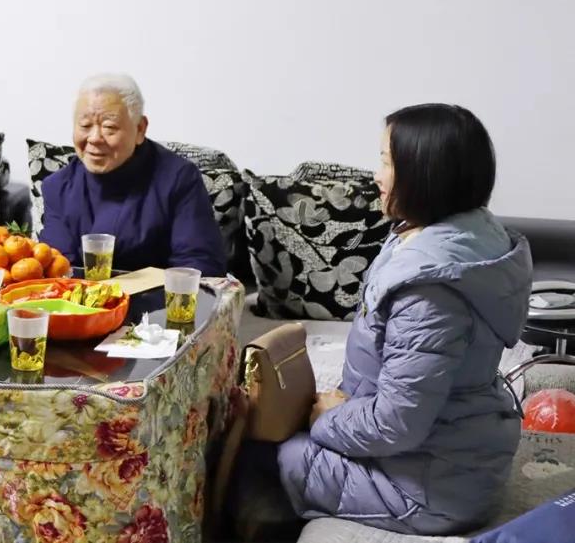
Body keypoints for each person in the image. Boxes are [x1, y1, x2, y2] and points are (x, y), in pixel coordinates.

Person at [277, 103, 533, 535]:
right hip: (447, 453)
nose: (376, 176)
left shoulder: (430, 290)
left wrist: (326, 419)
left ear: (425, 174)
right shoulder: (458, 235)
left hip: (429, 488)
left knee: (272, 454)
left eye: (385, 161)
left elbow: (397, 423)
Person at [38, 73, 227, 276]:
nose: (94, 138)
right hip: (79, 296)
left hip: (157, 295)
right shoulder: (57, 187)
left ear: (140, 129)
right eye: (84, 125)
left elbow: (200, 265)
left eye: (109, 127)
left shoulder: (178, 178)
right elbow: (57, 268)